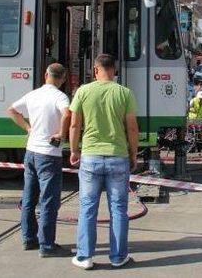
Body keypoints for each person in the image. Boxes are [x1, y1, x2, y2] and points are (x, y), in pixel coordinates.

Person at [69, 54, 139, 270]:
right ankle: (118, 257)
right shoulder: (124, 93)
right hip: (118, 157)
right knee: (118, 209)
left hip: (90, 157)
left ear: (95, 69)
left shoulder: (83, 91)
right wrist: (133, 154)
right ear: (114, 70)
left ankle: (85, 257)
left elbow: (74, 125)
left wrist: (74, 151)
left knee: (87, 208)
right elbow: (132, 128)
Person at [7, 63, 71, 257]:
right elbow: (68, 113)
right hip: (49, 155)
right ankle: (47, 245)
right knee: (49, 201)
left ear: (46, 75)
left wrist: (27, 128)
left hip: (31, 152)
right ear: (63, 79)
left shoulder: (33, 94)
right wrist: (61, 133)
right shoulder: (60, 96)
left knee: (29, 198)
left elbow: (11, 110)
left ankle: (29, 239)